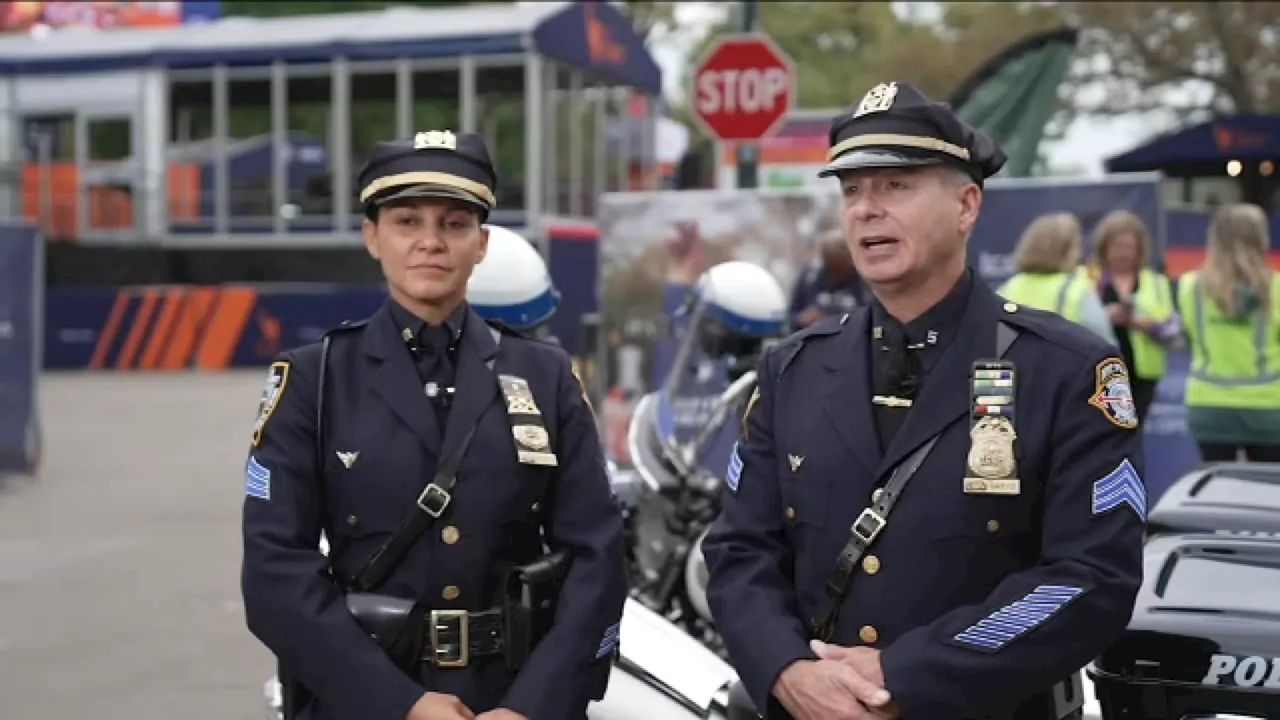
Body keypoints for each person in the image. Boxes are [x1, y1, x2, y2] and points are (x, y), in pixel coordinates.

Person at [702, 81, 1145, 720]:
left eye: (896, 186)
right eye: (851, 190)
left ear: (967, 205)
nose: (865, 209)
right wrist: (789, 670)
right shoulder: (793, 369)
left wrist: (902, 674)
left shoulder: (1068, 370)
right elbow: (739, 551)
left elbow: (1091, 578)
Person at [240, 129, 627, 720]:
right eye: (406, 221)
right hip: (366, 700)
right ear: (372, 237)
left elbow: (597, 556)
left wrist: (531, 706)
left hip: (513, 696)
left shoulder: (544, 376)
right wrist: (402, 705)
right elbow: (275, 574)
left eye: (453, 223)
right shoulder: (314, 382)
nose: (430, 242)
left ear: (481, 242)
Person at [1178, 203, 1280, 463]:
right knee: (1268, 496)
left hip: (1208, 405)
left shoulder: (1190, 287)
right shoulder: (1276, 287)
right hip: (1268, 407)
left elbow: (1188, 336)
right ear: (1261, 239)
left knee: (1216, 490)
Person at [1087, 210, 1180, 422]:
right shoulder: (1088, 279)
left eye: (1129, 247)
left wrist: (1138, 323)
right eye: (1117, 247)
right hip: (1095, 374)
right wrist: (1104, 316)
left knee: (1134, 433)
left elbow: (1173, 330)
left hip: (1142, 375)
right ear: (1104, 248)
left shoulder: (1156, 283)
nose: (1124, 253)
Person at [997, 212, 1118, 346]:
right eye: (1076, 245)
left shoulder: (1008, 287)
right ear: (1066, 250)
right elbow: (1107, 345)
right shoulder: (1077, 289)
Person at [789, 228, 868, 329]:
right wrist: (802, 319)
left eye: (840, 268)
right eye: (832, 268)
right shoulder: (809, 278)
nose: (835, 275)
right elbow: (790, 318)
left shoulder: (863, 281)